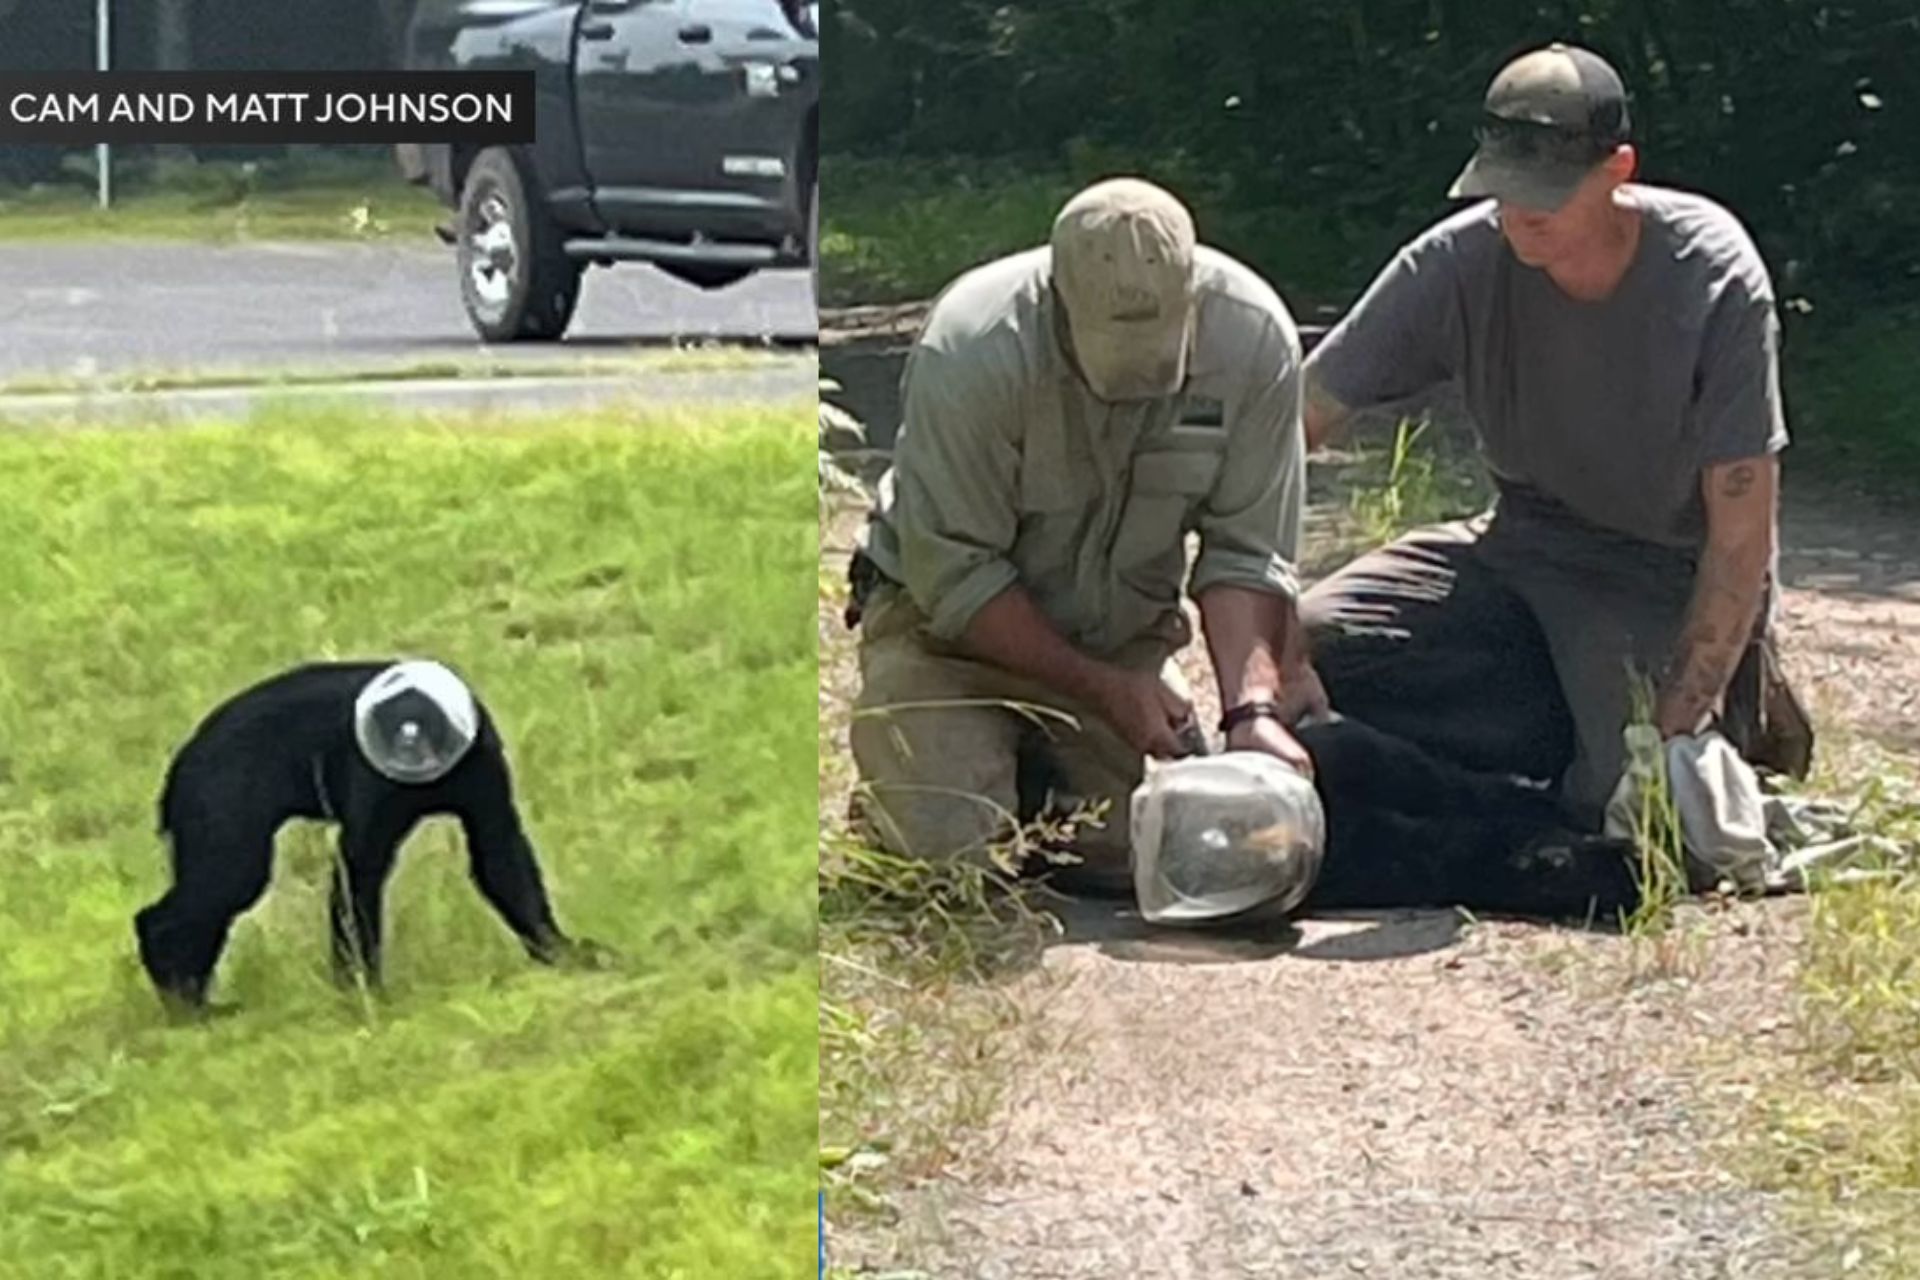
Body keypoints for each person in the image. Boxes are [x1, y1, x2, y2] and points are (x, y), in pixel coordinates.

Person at [1299, 41, 1812, 830]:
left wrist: (1680, 715)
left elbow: (1743, 533)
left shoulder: (1710, 275)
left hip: (1660, 570)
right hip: (1520, 543)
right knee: (1316, 638)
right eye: (1503, 187)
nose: (1519, 211)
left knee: (1638, 812)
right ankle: (1554, 722)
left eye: (1547, 188)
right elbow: (1299, 418)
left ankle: (1736, 708)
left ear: (1619, 170)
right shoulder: (1459, 261)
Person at [845, 177, 1321, 892]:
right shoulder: (974, 348)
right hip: (944, 637)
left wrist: (1251, 712)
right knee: (944, 864)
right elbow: (957, 577)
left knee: (1127, 858)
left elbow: (1248, 553)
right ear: (1056, 298)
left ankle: (1047, 763)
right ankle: (915, 787)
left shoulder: (1252, 337)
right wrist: (1107, 691)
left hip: (1114, 637)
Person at [134, 659, 604, 1011]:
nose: (417, 764)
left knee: (499, 839)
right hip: (238, 762)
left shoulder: (476, 751)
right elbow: (357, 873)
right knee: (230, 882)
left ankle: (548, 947)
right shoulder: (378, 762)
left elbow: (500, 851)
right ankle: (179, 980)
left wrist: (547, 943)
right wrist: (360, 985)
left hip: (294, 747)